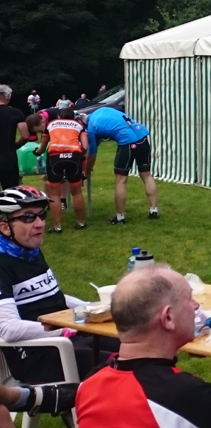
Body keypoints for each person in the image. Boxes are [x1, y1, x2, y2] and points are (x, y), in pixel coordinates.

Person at [75, 266, 211, 428]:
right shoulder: (182, 394)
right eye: (189, 298)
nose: (196, 305)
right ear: (167, 318)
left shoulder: (88, 385)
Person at [0, 186, 119, 384]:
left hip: (67, 337)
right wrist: (67, 327)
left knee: (138, 342)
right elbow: (9, 328)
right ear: (5, 227)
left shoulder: (29, 249)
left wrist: (93, 308)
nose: (40, 224)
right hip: (37, 355)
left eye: (42, 215)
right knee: (124, 365)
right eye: (29, 217)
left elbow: (54, 298)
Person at [81, 108, 159, 224]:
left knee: (121, 180)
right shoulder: (101, 111)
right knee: (146, 176)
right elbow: (103, 134)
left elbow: (92, 155)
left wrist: (86, 173)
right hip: (142, 136)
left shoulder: (91, 128)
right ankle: (154, 211)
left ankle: (120, 217)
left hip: (127, 142)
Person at [34, 109, 88, 232]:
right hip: (73, 158)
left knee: (54, 194)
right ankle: (81, 223)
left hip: (55, 158)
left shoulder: (51, 124)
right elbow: (85, 146)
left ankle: (57, 227)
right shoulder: (79, 125)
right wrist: (79, 156)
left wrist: (37, 152)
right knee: (77, 192)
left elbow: (42, 148)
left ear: (59, 116)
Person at [0, 85, 29, 190]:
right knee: (11, 191)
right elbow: (25, 136)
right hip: (8, 157)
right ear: (7, 96)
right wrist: (16, 145)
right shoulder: (15, 112)